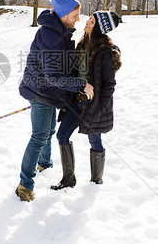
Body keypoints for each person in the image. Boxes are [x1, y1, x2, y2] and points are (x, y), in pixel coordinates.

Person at [16, 0, 94, 202]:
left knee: (48, 130)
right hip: (41, 91)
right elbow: (52, 76)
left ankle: (45, 165)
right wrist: (81, 84)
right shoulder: (51, 35)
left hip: (47, 92)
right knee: (39, 135)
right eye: (75, 14)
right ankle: (24, 185)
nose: (78, 18)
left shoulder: (59, 31)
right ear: (63, 14)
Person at [51, 10, 121, 190]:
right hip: (76, 101)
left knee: (94, 141)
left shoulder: (106, 52)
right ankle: (69, 179)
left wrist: (101, 107)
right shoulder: (81, 44)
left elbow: (109, 85)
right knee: (62, 135)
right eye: (89, 19)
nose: (87, 22)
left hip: (93, 105)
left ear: (99, 27)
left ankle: (96, 181)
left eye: (91, 21)